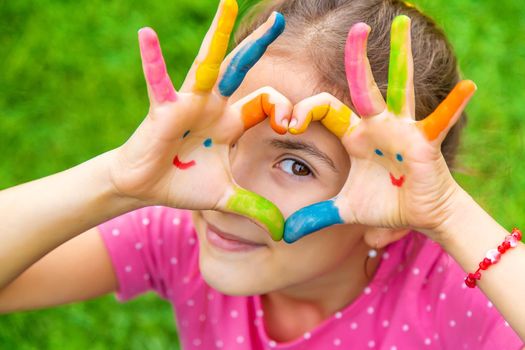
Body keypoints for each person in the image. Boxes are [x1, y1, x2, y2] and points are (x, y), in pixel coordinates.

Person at [1, 0, 524, 348]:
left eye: (296, 163)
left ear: (392, 206)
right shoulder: (184, 229)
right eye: (227, 140)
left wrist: (447, 214)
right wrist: (120, 179)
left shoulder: (451, 298)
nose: (229, 193)